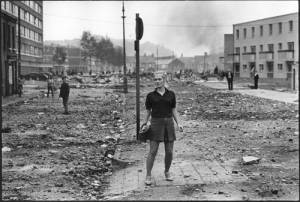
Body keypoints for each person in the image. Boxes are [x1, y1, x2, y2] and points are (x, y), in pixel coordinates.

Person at [142, 72, 183, 186]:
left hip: (169, 123)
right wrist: (145, 123)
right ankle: (148, 175)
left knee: (169, 152)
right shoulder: (150, 96)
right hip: (155, 123)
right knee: (153, 151)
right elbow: (148, 112)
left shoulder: (171, 94)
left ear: (164, 80)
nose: (157, 81)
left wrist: (179, 123)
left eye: (159, 79)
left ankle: (167, 172)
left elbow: (174, 110)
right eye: (155, 79)